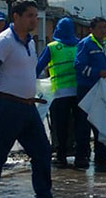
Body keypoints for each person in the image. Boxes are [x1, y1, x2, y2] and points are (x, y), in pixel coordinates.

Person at [0, 0, 71, 198]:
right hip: (9, 106)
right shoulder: (5, 41)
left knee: (42, 152)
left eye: (35, 16)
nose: (34, 20)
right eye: (29, 15)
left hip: (28, 107)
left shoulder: (29, 42)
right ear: (16, 17)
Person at [74, 17, 106, 168]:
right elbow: (79, 65)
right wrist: (96, 72)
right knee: (84, 124)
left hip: (101, 88)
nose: (104, 30)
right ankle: (81, 156)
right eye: (100, 27)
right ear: (92, 29)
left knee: (101, 122)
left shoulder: (104, 44)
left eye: (105, 27)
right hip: (87, 88)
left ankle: (101, 155)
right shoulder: (86, 43)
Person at [36, 17, 84, 168]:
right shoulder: (80, 45)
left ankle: (61, 156)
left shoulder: (52, 47)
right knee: (79, 126)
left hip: (59, 93)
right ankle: (81, 157)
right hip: (79, 92)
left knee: (60, 127)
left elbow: (37, 68)